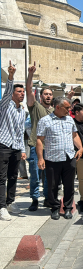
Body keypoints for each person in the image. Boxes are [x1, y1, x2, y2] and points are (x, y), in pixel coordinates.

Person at [36, 97, 83, 220]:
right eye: (67, 108)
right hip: (52, 158)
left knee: (69, 185)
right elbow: (40, 140)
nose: (69, 110)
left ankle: (68, 208)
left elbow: (74, 135)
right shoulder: (45, 121)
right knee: (52, 185)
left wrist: (80, 147)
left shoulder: (70, 120)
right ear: (58, 107)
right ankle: (55, 208)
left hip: (69, 157)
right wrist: (40, 159)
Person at [0, 61, 27, 221]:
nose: (22, 93)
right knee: (1, 177)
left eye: (23, 91)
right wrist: (11, 76)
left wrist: (22, 149)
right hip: (3, 145)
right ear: (12, 93)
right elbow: (6, 91)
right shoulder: (5, 105)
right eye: (19, 91)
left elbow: (20, 132)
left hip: (16, 147)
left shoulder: (21, 110)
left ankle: (10, 202)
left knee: (13, 176)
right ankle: (1, 207)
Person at [25, 62, 53, 211]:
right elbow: (29, 90)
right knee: (35, 174)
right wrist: (30, 74)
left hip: (50, 148)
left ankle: (47, 198)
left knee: (48, 176)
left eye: (50, 94)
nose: (48, 96)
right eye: (45, 94)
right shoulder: (35, 107)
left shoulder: (56, 111)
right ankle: (35, 199)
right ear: (40, 96)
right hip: (36, 146)